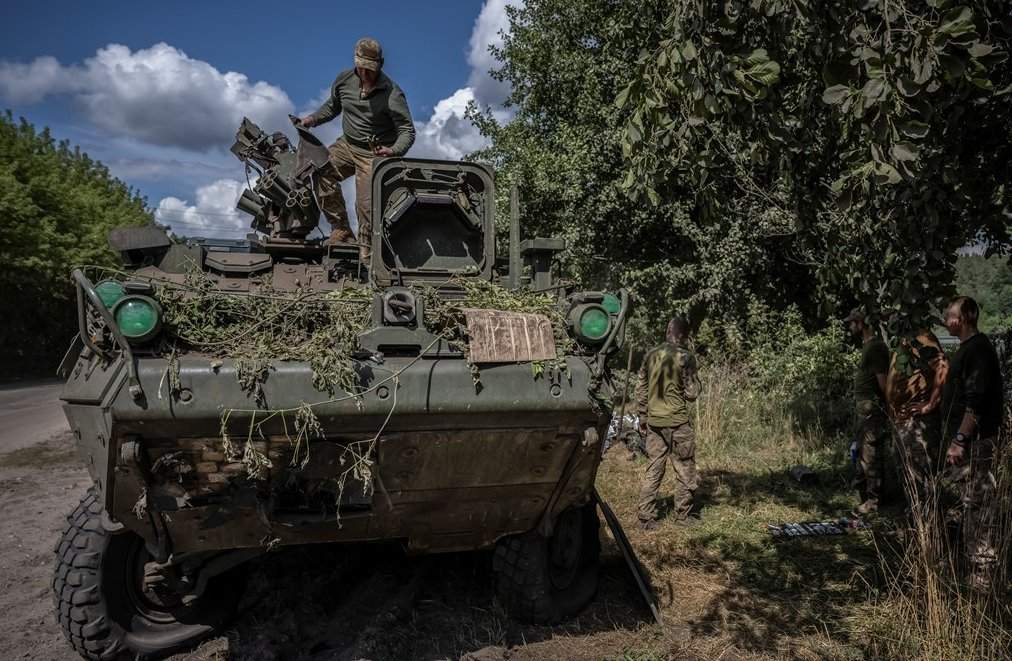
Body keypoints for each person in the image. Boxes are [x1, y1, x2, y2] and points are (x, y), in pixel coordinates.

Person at [298, 38, 415, 261]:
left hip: (375, 153)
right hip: (347, 144)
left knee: (367, 206)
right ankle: (341, 228)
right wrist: (311, 120)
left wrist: (394, 151)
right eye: (362, 68)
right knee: (319, 169)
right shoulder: (344, 80)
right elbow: (332, 106)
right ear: (356, 63)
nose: (366, 74)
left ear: (380, 64)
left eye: (371, 69)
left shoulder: (393, 94)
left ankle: (366, 255)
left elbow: (407, 131)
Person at [941, 296, 1005, 589]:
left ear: (965, 317)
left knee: (978, 501)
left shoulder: (978, 349)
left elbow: (975, 403)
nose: (946, 319)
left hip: (975, 443)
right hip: (966, 442)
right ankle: (966, 564)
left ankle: (981, 575)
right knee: (966, 500)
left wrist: (960, 439)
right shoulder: (968, 348)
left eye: (950, 315)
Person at [635, 317, 702, 530]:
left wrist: (643, 418)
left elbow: (640, 389)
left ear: (667, 332)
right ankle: (682, 516)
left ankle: (646, 517)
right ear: (684, 335)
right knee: (684, 469)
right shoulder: (685, 357)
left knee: (654, 468)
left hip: (654, 422)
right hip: (677, 423)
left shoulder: (650, 355)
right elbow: (692, 394)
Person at [885, 325, 948, 522]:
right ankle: (917, 520)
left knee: (922, 474)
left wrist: (930, 404)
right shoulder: (905, 339)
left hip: (918, 422)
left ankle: (930, 527)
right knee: (908, 473)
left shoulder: (923, 337)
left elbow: (943, 366)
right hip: (903, 421)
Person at [846, 308, 891, 515]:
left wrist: (889, 407)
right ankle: (866, 495)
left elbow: (884, 384)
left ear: (862, 323)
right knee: (861, 453)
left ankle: (874, 501)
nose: (850, 325)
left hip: (873, 412)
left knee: (871, 454)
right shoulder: (868, 346)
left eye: (853, 322)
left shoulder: (876, 348)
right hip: (865, 412)